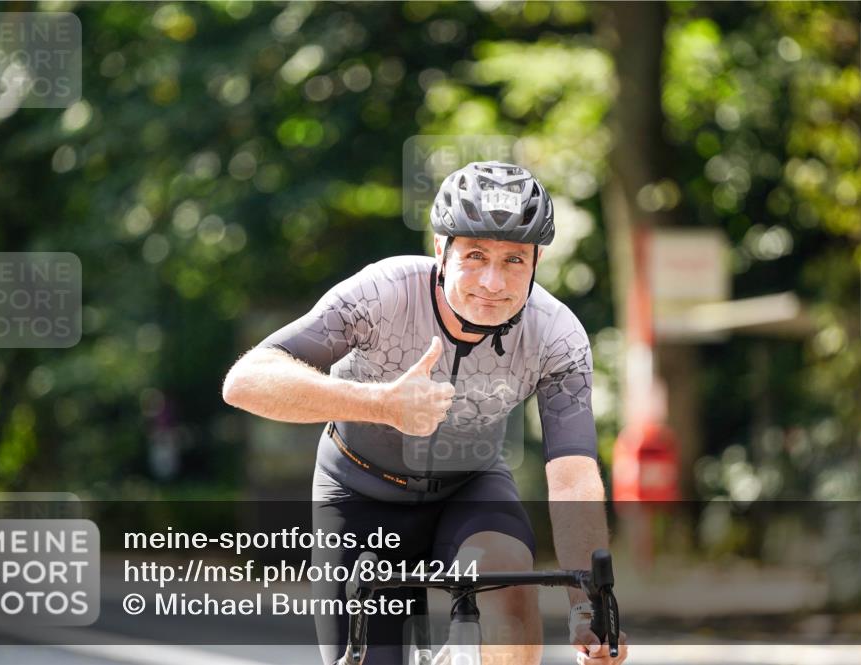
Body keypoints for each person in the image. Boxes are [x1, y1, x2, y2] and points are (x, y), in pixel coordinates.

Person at [223, 161, 628, 665]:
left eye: (514, 260)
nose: (493, 282)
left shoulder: (556, 335)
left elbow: (572, 475)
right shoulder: (383, 294)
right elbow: (245, 381)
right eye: (475, 255)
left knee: (508, 589)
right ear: (441, 249)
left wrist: (587, 608)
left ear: (537, 260)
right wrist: (381, 404)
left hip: (470, 490)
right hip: (358, 492)